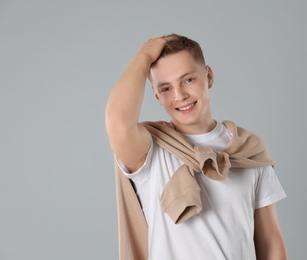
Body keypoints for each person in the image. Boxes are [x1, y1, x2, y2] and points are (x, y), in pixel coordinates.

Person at [105, 34, 287, 260]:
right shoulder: (149, 150)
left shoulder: (248, 149)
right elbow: (117, 121)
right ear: (156, 96)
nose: (180, 95)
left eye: (188, 80)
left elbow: (270, 243)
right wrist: (144, 55)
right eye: (165, 88)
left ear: (208, 76)